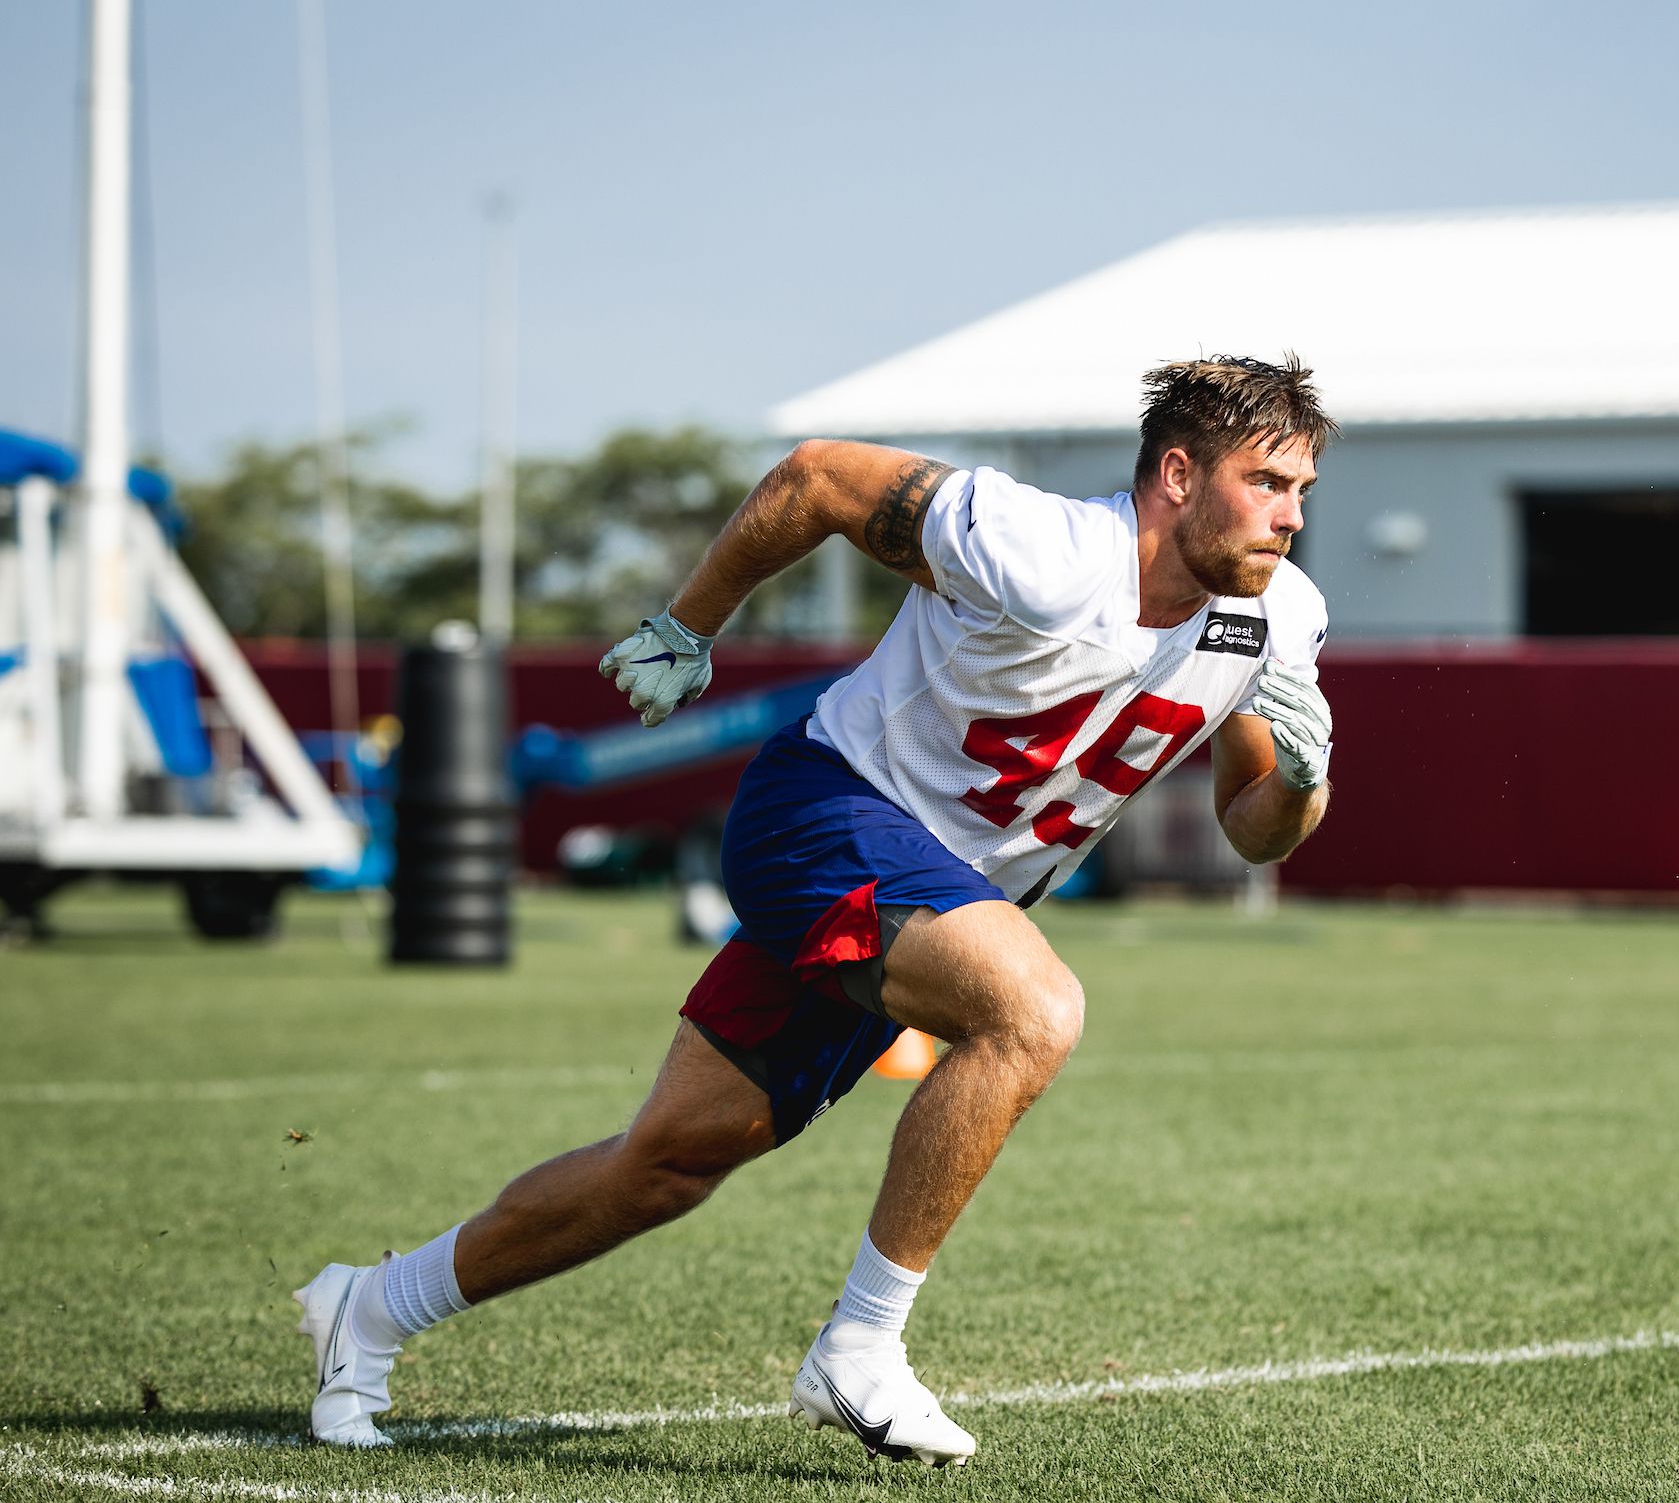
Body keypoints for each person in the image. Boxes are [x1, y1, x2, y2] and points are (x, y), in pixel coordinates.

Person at [294, 354, 1339, 1466]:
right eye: (1266, 482)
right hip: (830, 811)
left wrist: (1305, 782)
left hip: (938, 893)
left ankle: (368, 1308)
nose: (1289, 516)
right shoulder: (1044, 547)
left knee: (672, 1160)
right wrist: (688, 626)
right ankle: (863, 1346)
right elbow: (820, 478)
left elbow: (1249, 823)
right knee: (1035, 1010)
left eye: (1304, 493)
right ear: (1177, 474)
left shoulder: (1275, 618)